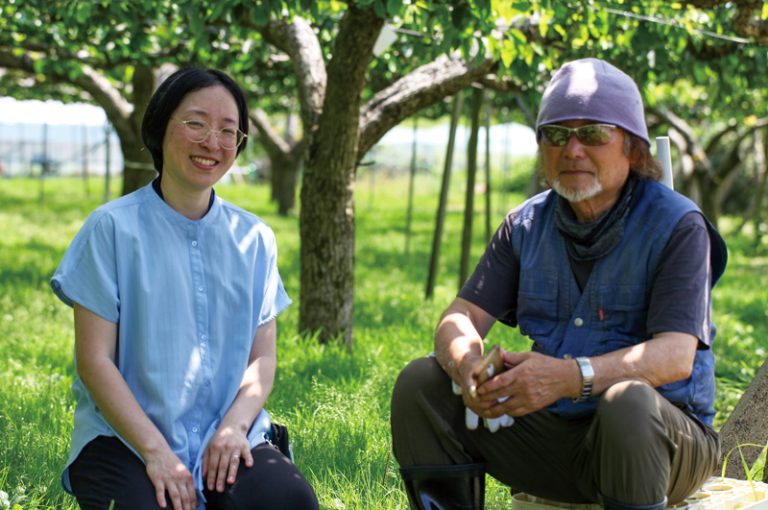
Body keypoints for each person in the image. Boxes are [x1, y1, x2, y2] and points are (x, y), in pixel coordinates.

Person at [390, 58, 728, 510]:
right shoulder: (526, 224)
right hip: (554, 438)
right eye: (555, 135)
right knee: (422, 383)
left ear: (632, 147)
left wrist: (570, 377)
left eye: (592, 133)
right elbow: (461, 316)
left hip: (664, 444)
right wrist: (468, 366)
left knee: (628, 404)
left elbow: (674, 356)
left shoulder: (678, 226)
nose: (572, 150)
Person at [51, 67, 319, 510]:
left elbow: (262, 358)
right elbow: (94, 361)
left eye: (228, 131)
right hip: (128, 439)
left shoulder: (255, 239)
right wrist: (156, 453)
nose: (212, 141)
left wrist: (234, 428)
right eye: (196, 123)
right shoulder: (111, 229)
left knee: (290, 501)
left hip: (228, 432)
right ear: (161, 127)